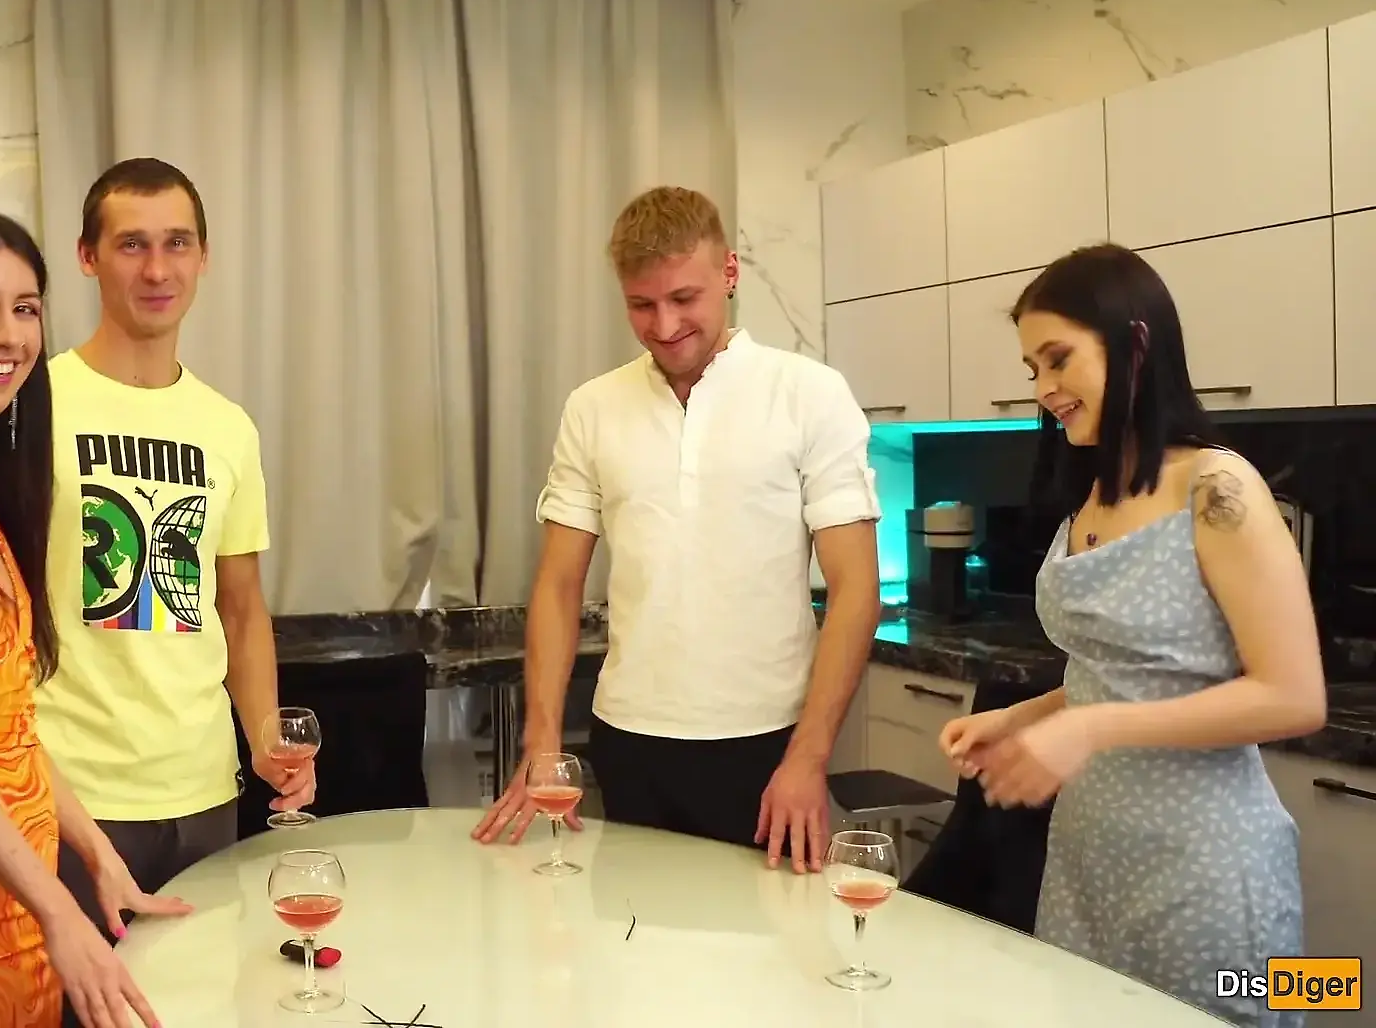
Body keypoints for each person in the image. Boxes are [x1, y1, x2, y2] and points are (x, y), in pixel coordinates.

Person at [939, 244, 1321, 1027]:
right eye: (1031, 369)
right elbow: (1122, 674)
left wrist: (1090, 730)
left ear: (1135, 344)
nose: (1043, 390)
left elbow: (1295, 696)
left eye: (1058, 360)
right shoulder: (1095, 496)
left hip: (1207, 872)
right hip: (1088, 860)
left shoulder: (1217, 488)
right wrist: (1022, 718)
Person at [471, 186, 883, 874]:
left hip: (767, 743)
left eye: (684, 298)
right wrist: (542, 743)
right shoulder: (593, 407)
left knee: (768, 937)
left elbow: (856, 590)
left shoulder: (809, 394)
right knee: (632, 933)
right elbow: (558, 583)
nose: (664, 325)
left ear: (729, 273)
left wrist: (809, 760)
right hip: (628, 739)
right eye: (642, 304)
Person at [0, 210, 190, 1028]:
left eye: (25, 309)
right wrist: (54, 904)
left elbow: (5, 722)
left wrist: (95, 856)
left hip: (22, 885)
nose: (7, 335)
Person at [34, 157, 313, 911]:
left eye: (177, 243)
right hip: (69, 789)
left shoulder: (228, 427)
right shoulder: (32, 404)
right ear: (87, 256)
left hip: (203, 788)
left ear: (203, 257)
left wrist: (266, 737)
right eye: (132, 244)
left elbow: (242, 608)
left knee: (200, 980)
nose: (157, 270)